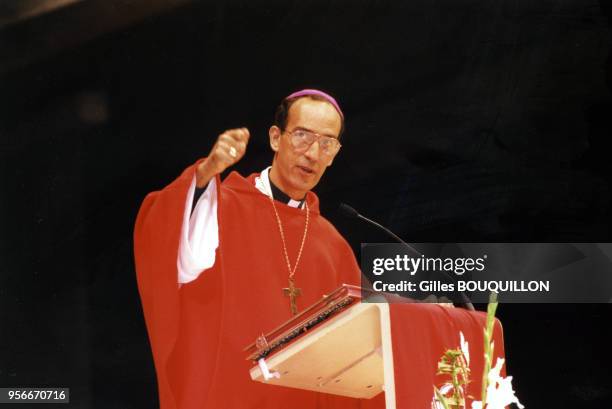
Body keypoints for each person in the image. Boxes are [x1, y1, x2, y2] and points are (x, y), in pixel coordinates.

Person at [134, 90, 384, 409]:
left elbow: (369, 342)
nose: (312, 153)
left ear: (334, 154)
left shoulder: (331, 244)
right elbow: (175, 250)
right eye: (302, 136)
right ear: (276, 138)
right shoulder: (221, 207)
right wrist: (205, 173)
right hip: (231, 395)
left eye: (326, 143)